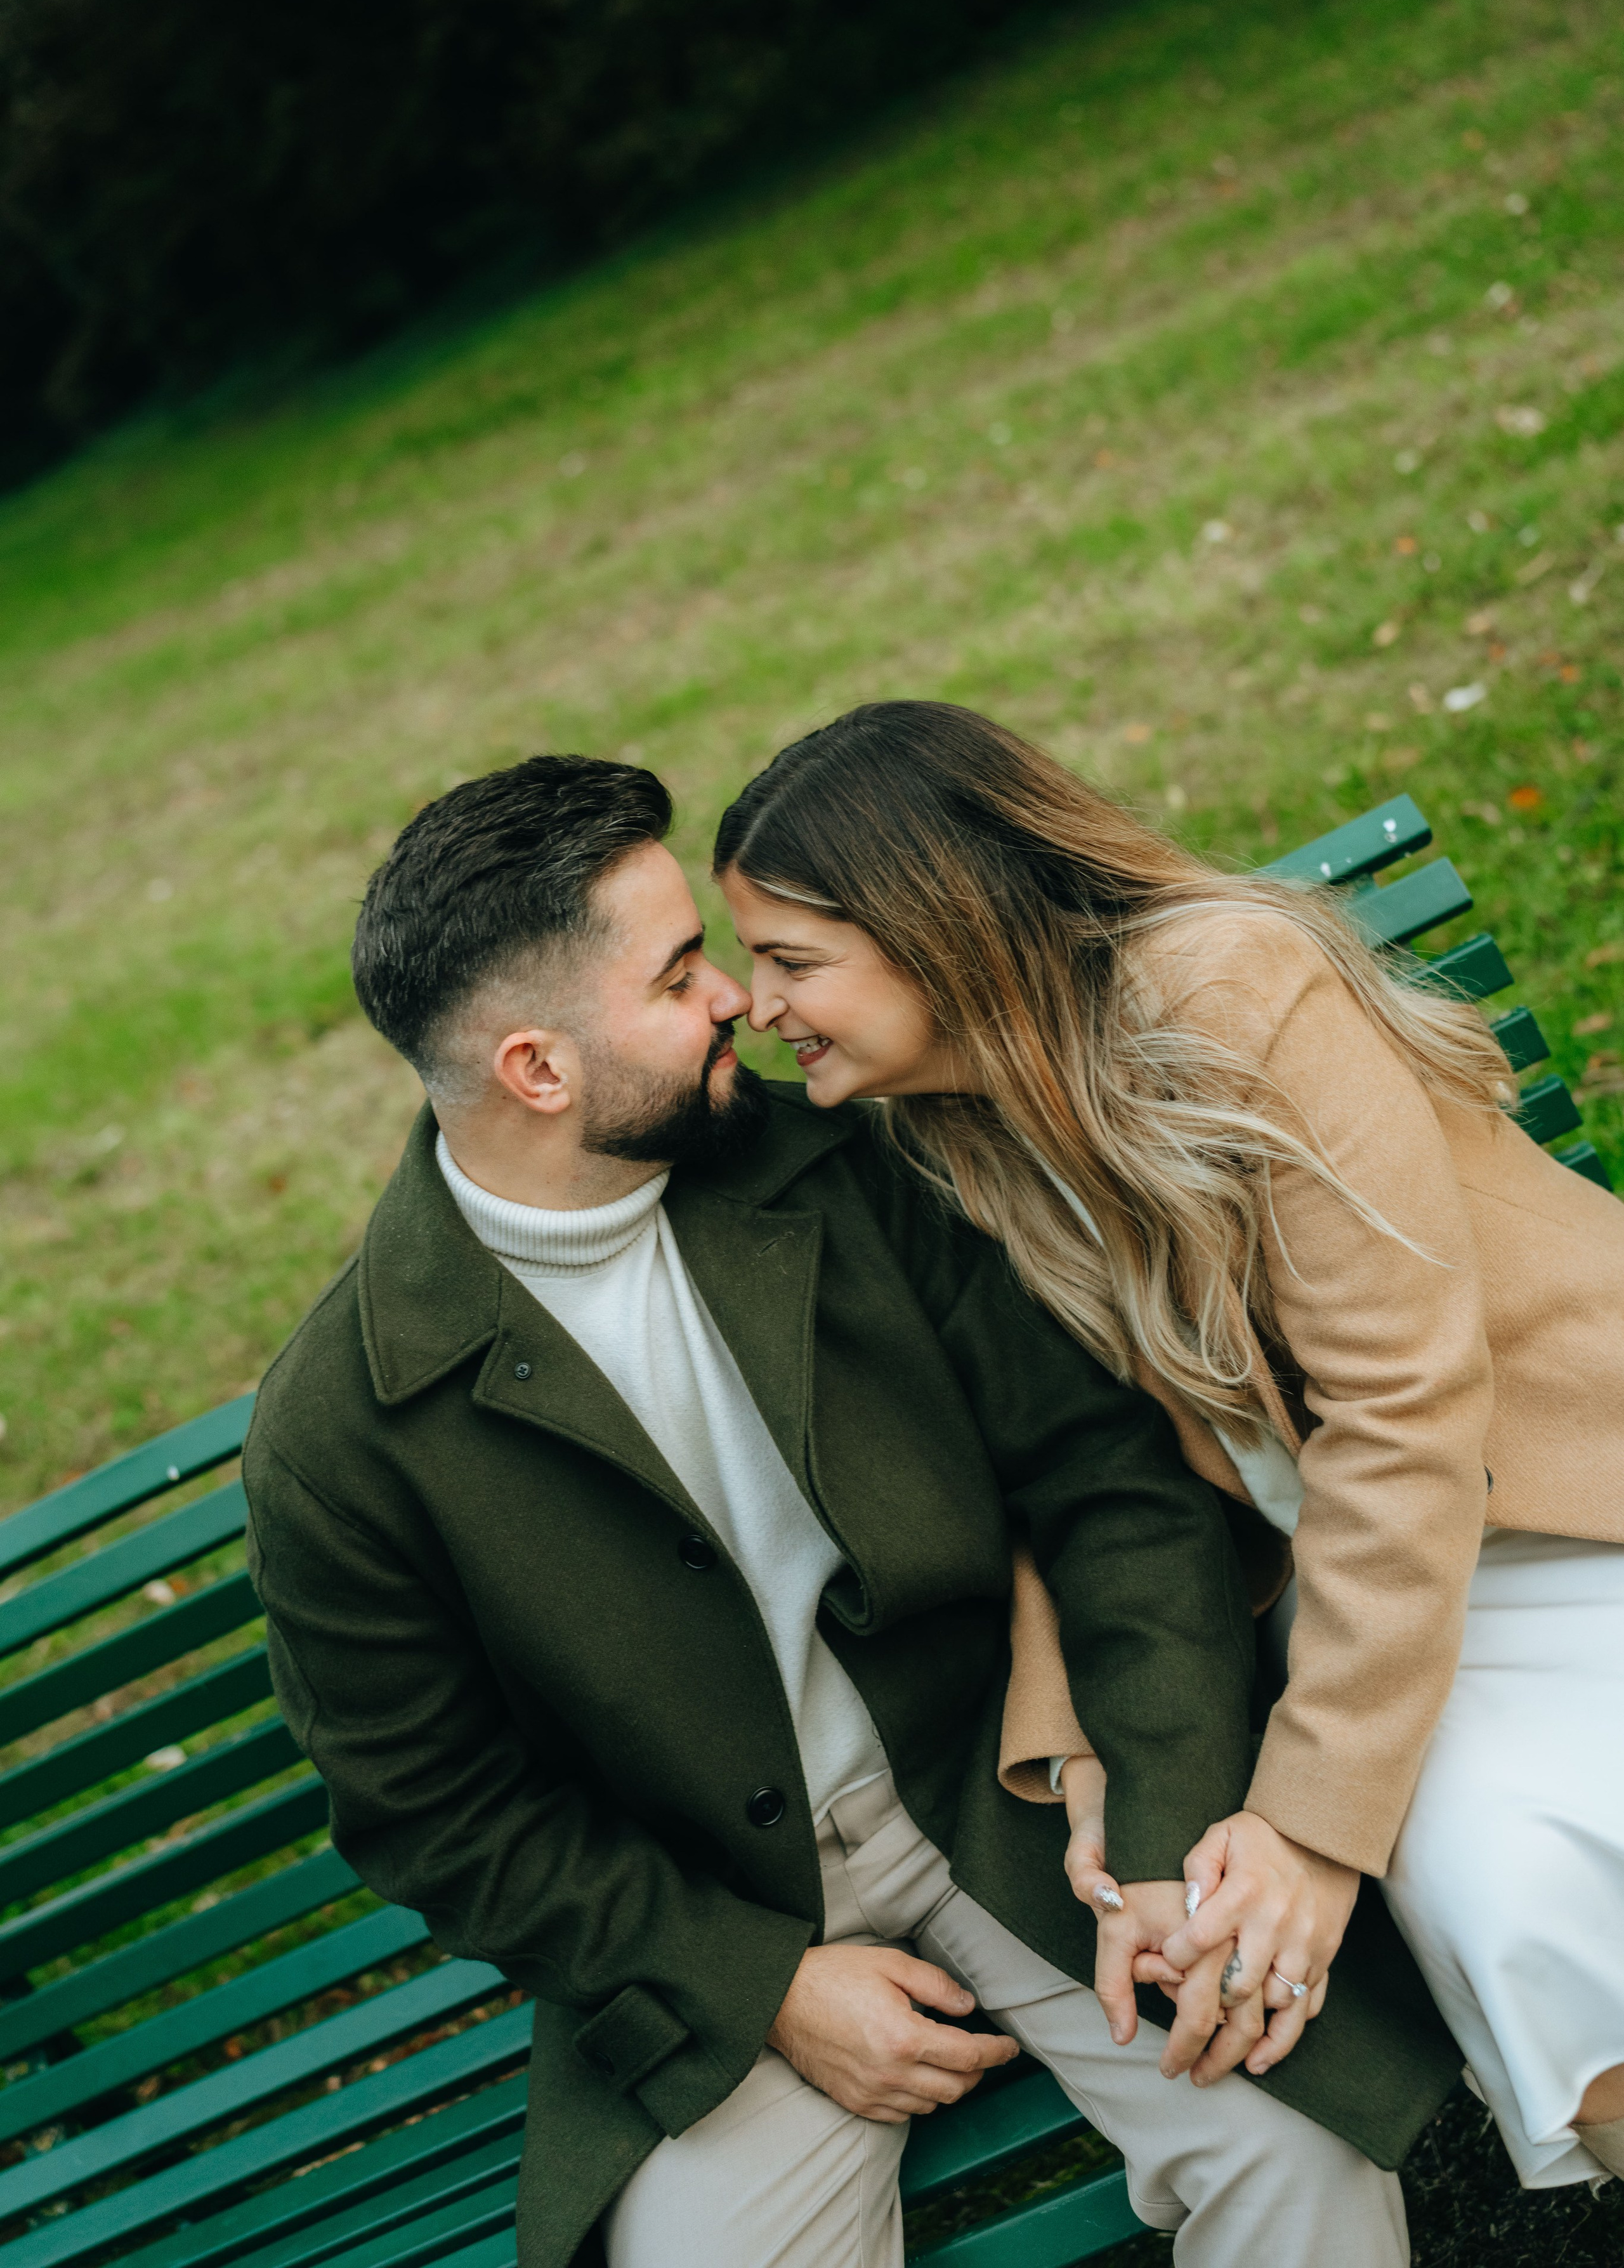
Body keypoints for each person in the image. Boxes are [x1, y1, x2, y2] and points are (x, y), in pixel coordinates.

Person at [244, 753, 1450, 2268]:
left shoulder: (837, 1159)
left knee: (1294, 2157)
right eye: (683, 973)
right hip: (719, 1913)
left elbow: (1103, 1480)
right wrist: (762, 1988)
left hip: (996, 1806)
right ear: (537, 1071)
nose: (741, 999)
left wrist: (1154, 1822)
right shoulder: (338, 1437)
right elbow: (437, 1811)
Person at [714, 697, 1624, 2195]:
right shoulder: (941, 1135)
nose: (762, 1005)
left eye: (793, 961)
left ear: (934, 933)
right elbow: (1074, 1473)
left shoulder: (1224, 993)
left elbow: (1400, 1412)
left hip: (1558, 1506)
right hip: (1377, 1608)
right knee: (1494, 1883)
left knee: (1464, 1858)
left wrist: (1312, 1829)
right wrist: (1087, 1759)